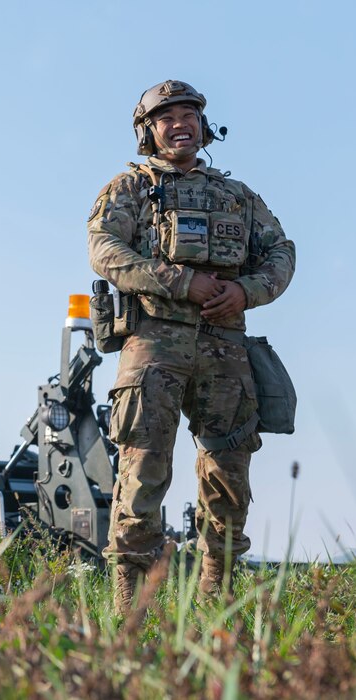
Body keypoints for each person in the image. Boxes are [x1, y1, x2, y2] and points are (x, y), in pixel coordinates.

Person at [86, 80, 295, 613]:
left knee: (228, 476)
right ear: (148, 131)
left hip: (226, 349)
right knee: (143, 472)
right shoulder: (129, 188)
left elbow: (281, 253)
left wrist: (244, 291)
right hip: (153, 343)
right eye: (166, 118)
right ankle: (132, 613)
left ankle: (214, 608)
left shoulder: (239, 196)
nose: (180, 124)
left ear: (204, 127)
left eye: (189, 115)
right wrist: (178, 282)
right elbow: (103, 249)